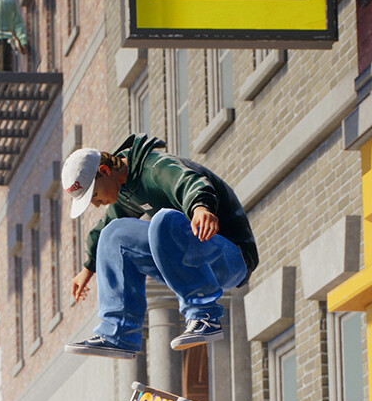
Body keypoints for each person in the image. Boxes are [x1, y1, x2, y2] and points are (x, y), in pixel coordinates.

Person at [62, 134, 258, 357]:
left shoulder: (156, 168)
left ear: (105, 171)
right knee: (113, 233)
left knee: (164, 221)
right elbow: (105, 227)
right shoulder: (126, 188)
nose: (97, 204)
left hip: (231, 257)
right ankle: (119, 334)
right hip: (190, 262)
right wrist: (88, 268)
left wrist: (201, 207)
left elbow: (189, 182)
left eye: (95, 195)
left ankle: (204, 317)